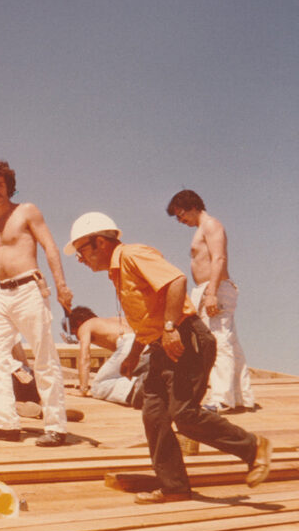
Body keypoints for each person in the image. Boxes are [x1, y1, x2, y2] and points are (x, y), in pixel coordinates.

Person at [65, 211, 272, 504]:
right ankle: (174, 486)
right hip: (161, 346)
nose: (80, 259)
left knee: (184, 415)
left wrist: (171, 327)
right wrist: (133, 355)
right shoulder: (118, 272)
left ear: (99, 242)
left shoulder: (132, 255)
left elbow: (176, 280)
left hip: (186, 338)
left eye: (81, 250)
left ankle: (253, 448)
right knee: (154, 414)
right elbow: (147, 316)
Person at [0, 160, 74, 446]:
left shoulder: (27, 211)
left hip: (30, 287)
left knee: (44, 358)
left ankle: (56, 427)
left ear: (8, 186)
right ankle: (5, 424)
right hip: (1, 297)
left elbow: (50, 246)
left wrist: (61, 285)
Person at [166, 190, 255, 413]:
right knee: (229, 342)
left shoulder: (211, 225)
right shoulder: (201, 229)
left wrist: (212, 292)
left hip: (214, 288)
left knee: (218, 341)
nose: (180, 220)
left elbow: (219, 258)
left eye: (181, 214)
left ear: (192, 206)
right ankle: (242, 396)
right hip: (207, 288)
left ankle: (222, 398)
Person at [67, 306, 146, 407]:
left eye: (74, 332)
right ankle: (148, 383)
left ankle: (136, 388)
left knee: (98, 386)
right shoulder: (114, 320)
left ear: (78, 322)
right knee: (126, 373)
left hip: (128, 345)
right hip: (142, 343)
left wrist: (83, 389)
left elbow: (85, 357)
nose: (76, 336)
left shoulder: (85, 326)